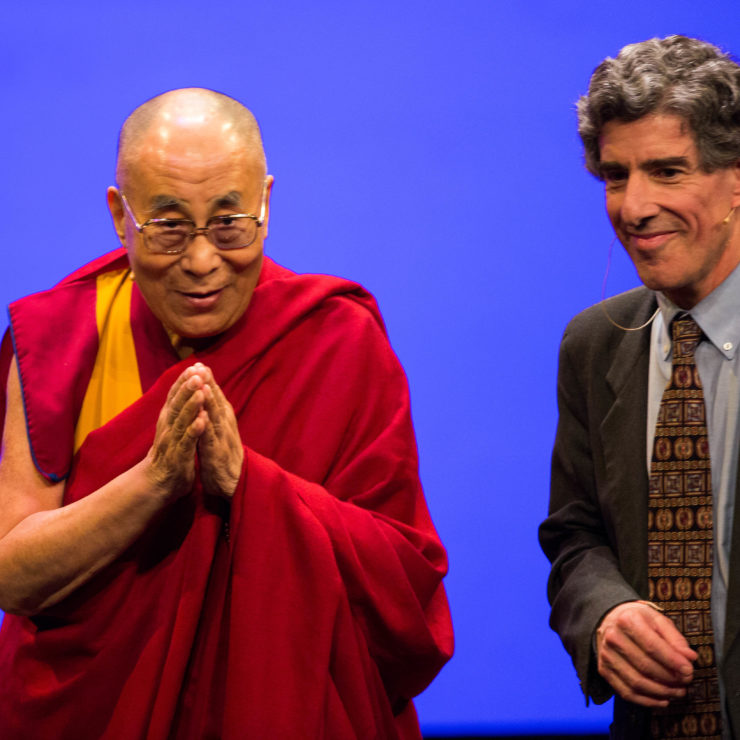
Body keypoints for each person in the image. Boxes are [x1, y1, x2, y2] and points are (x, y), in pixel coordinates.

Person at [0, 88, 453, 739]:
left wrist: (250, 484)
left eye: (229, 223)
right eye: (169, 226)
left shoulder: (337, 340)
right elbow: (13, 572)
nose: (203, 260)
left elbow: (407, 592)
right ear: (119, 216)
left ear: (266, 201)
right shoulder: (66, 335)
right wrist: (153, 483)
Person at [540, 36, 740, 739]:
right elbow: (576, 536)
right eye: (616, 176)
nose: (634, 206)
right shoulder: (592, 345)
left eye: (666, 171)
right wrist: (605, 615)